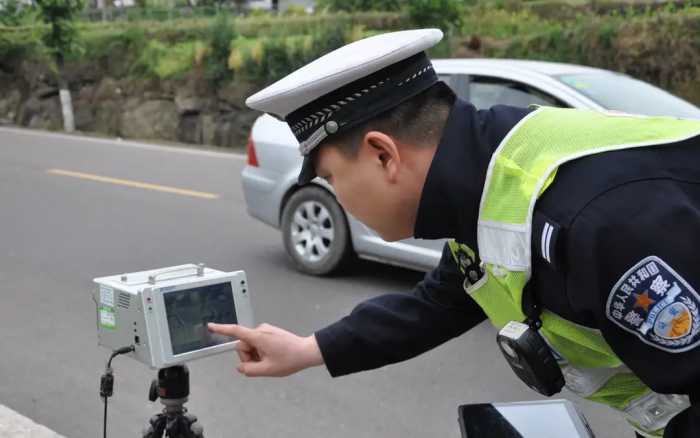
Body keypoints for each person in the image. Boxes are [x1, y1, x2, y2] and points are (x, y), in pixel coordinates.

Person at [207, 29, 700, 438]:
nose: (336, 197)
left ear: (384, 155)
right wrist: (308, 350)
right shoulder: (486, 187)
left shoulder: (593, 218)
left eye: (332, 178)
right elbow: (440, 302)